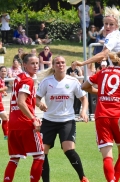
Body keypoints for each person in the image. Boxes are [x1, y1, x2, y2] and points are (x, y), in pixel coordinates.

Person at [81, 51, 120, 182]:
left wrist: (100, 93)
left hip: (102, 115)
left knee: (107, 155)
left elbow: (84, 86)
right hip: (119, 117)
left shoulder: (103, 72)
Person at [36, 56, 89, 182]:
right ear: (53, 66)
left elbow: (84, 98)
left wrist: (83, 111)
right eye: (58, 63)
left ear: (66, 65)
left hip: (67, 121)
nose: (60, 65)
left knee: (69, 150)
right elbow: (36, 98)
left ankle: (83, 178)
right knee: (42, 153)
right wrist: (39, 104)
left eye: (63, 62)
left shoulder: (73, 81)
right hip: (49, 121)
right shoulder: (46, 82)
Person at [3, 54, 44, 182]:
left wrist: (37, 103)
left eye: (37, 63)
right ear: (24, 65)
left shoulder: (19, 77)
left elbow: (22, 99)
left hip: (13, 123)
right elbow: (21, 102)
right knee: (39, 156)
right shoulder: (28, 80)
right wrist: (33, 118)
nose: (35, 66)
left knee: (14, 158)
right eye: (32, 63)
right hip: (25, 123)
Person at [0, 66, 8, 140]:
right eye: (2, 71)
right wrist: (4, 89)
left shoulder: (3, 80)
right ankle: (6, 135)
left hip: (0, 102)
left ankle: (6, 135)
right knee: (5, 118)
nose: (3, 72)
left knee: (5, 118)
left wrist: (3, 92)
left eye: (5, 71)